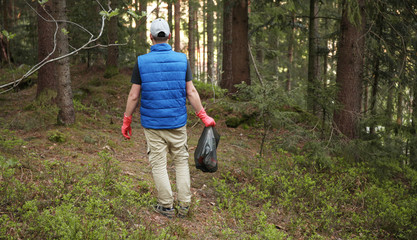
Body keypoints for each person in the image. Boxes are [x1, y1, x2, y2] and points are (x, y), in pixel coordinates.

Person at [121, 18, 216, 218]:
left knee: (158, 163)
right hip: (177, 122)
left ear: (151, 37)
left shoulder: (141, 61)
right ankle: (184, 206)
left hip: (153, 124)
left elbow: (133, 95)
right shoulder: (182, 60)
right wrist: (203, 115)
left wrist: (126, 120)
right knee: (181, 162)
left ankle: (166, 206)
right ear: (169, 36)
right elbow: (191, 92)